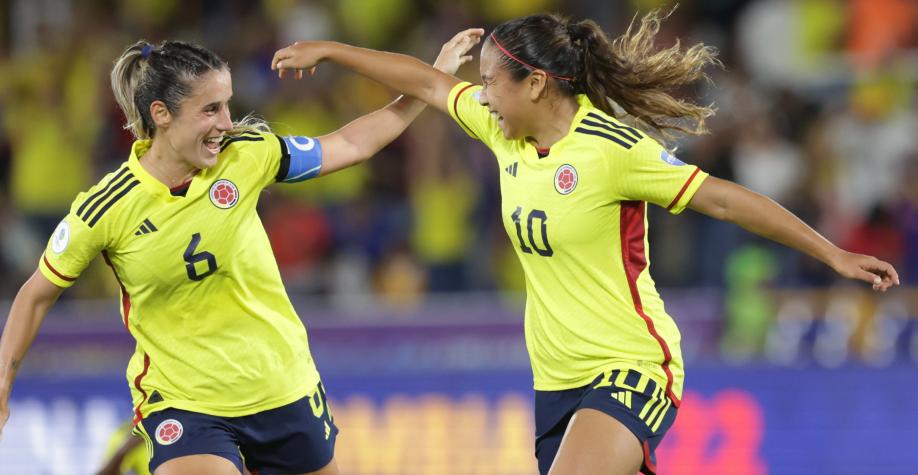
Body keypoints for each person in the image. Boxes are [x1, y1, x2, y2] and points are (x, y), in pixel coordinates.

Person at [269, 11, 901, 475]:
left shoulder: (613, 151)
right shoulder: (503, 132)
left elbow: (727, 200)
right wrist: (331, 49)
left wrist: (833, 253)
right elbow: (430, 84)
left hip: (631, 365)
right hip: (556, 381)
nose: (481, 94)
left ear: (538, 84)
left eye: (492, 81)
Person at [0, 30, 483, 475]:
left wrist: (428, 84)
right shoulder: (106, 208)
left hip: (281, 384)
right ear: (161, 115)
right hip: (184, 402)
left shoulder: (248, 155)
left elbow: (352, 145)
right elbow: (35, 295)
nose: (226, 122)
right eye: (210, 109)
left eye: (228, 105)